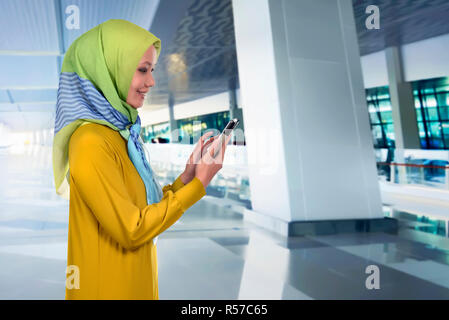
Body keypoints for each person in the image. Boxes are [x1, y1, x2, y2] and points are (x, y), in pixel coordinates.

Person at [52, 19, 230, 300]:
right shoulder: (90, 142)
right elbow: (132, 230)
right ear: (109, 70)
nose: (151, 82)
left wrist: (187, 178)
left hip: (135, 284)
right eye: (142, 70)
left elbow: (145, 209)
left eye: (152, 70)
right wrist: (200, 186)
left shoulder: (120, 136)